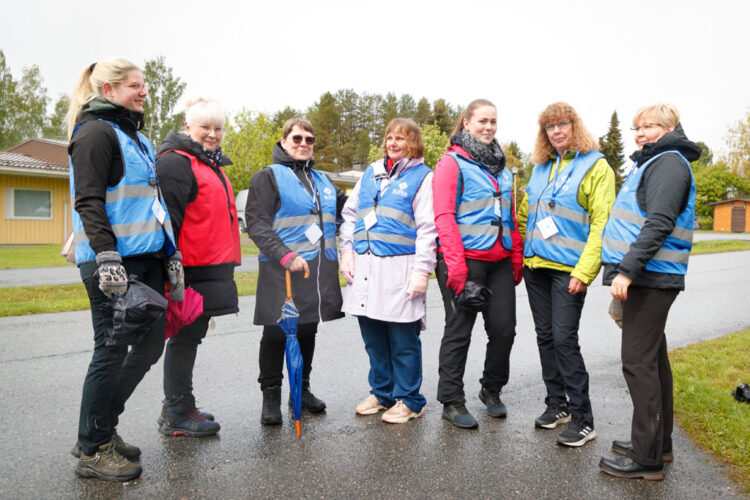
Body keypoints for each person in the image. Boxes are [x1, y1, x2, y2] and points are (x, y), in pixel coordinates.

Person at [66, 59, 181, 481]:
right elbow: (89, 200)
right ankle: (93, 448)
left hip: (146, 259)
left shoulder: (137, 138)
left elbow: (152, 203)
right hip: (112, 262)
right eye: (135, 85)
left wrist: (170, 253)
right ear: (108, 89)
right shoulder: (95, 133)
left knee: (149, 347)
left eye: (144, 85)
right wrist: (106, 255)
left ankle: (98, 427)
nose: (143, 91)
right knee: (111, 350)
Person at [598, 104, 699, 480]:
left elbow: (659, 222)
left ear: (671, 127)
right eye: (637, 128)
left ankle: (646, 459)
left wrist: (627, 270)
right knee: (654, 361)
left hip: (650, 276)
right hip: (648, 275)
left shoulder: (669, 162)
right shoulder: (654, 162)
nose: (640, 133)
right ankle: (659, 444)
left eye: (650, 126)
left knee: (638, 364)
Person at [517, 102, 615, 447]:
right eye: (550, 127)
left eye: (562, 124)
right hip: (536, 267)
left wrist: (585, 271)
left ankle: (584, 419)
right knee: (545, 338)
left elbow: (602, 224)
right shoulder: (541, 166)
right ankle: (557, 405)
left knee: (564, 340)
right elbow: (528, 213)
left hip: (568, 271)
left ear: (575, 126)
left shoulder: (597, 166)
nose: (556, 131)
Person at [246, 118, 347, 425]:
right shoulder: (268, 176)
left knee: (307, 330)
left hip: (318, 271)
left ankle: (300, 393)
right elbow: (257, 224)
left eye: (310, 140)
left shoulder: (324, 181)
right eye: (298, 138)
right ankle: (271, 397)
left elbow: (351, 209)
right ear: (284, 141)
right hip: (284, 269)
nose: (304, 144)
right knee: (278, 332)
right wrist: (284, 255)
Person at [339, 118, 437, 424]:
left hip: (400, 270)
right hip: (365, 267)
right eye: (390, 137)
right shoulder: (370, 173)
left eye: (402, 139)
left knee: (403, 341)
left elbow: (427, 227)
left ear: (414, 143)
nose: (394, 143)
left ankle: (410, 399)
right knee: (373, 338)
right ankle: (381, 393)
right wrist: (346, 251)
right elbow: (350, 214)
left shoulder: (423, 177)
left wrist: (423, 270)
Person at [433, 99, 523, 429]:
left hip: (499, 259)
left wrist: (515, 256)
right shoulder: (451, 163)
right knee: (459, 331)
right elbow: (443, 216)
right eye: (482, 121)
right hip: (463, 262)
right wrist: (455, 267)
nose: (489, 127)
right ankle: (451, 400)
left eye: (493, 121)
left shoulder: (500, 166)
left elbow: (509, 217)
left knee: (504, 330)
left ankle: (491, 389)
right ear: (466, 123)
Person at [154, 97, 241, 437]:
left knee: (191, 337)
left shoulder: (210, 164)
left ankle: (175, 405)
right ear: (187, 127)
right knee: (185, 338)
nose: (212, 134)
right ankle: (177, 411)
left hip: (211, 269)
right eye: (205, 127)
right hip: (188, 269)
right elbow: (168, 223)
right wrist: (171, 276)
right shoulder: (177, 163)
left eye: (218, 128)